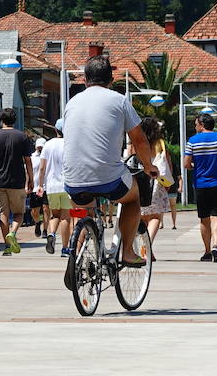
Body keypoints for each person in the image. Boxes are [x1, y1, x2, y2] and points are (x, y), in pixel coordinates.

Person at [62, 55, 156, 275]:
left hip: (72, 180)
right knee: (134, 197)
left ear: (85, 80)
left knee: (86, 210)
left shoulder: (71, 103)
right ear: (111, 80)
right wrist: (149, 165)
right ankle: (127, 252)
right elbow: (139, 139)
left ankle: (76, 256)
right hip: (109, 179)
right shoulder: (119, 100)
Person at [184, 113, 217, 262]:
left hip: (201, 184)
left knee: (204, 219)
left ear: (201, 125)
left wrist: (195, 165)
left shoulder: (193, 141)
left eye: (196, 125)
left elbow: (186, 164)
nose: (195, 127)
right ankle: (215, 245)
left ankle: (207, 251)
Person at [0, 108, 35, 257]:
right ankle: (13, 233)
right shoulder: (22, 137)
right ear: (15, 120)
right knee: (18, 213)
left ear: (1, 120)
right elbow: (28, 161)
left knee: (3, 214)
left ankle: (7, 246)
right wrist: (31, 180)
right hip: (17, 181)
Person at [130, 117, 171, 256]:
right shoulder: (159, 143)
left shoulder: (134, 143)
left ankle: (147, 249)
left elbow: (130, 161)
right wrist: (168, 181)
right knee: (155, 217)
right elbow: (166, 162)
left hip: (138, 182)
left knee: (142, 218)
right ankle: (148, 246)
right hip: (156, 181)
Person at [38, 119, 70, 256]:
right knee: (65, 218)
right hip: (66, 185)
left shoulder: (48, 145)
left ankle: (51, 233)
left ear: (56, 130)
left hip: (51, 186)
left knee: (55, 215)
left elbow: (42, 168)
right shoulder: (69, 145)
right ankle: (64, 248)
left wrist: (40, 185)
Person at [29, 137, 48, 237]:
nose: (40, 149)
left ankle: (45, 230)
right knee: (34, 210)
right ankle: (37, 223)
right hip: (35, 187)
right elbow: (28, 172)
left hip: (46, 187)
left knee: (45, 208)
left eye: (42, 147)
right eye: (38, 147)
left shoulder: (48, 157)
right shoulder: (32, 157)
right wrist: (27, 185)